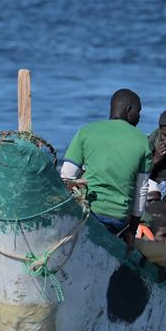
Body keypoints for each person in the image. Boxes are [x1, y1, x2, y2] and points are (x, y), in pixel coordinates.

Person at [61, 89, 151, 249]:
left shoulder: (86, 131)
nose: (139, 117)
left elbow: (66, 176)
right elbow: (141, 190)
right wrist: (131, 230)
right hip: (118, 218)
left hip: (87, 212)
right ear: (129, 110)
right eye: (139, 112)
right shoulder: (143, 141)